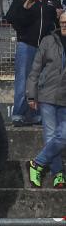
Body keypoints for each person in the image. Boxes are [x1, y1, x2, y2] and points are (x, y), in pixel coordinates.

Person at [6, 0, 61, 127]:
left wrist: (60, 17)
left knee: (42, 80)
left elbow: (57, 26)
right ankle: (19, 114)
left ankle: (37, 114)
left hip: (46, 48)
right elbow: (12, 20)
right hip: (26, 44)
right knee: (23, 80)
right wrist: (24, 9)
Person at [26, 10, 66, 189]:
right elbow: (35, 70)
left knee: (63, 135)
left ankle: (37, 163)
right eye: (63, 21)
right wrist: (31, 95)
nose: (65, 24)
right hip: (48, 95)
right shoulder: (48, 41)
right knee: (51, 136)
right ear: (59, 21)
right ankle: (58, 174)